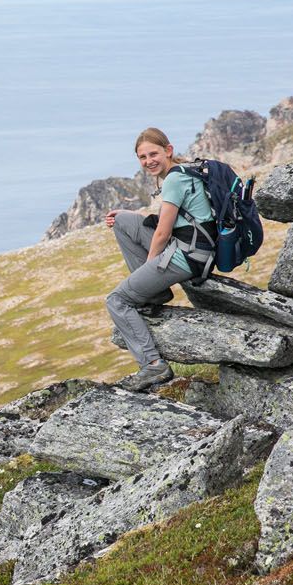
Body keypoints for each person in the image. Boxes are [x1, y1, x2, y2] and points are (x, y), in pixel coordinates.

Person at [104, 127, 215, 391]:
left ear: (168, 150)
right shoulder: (184, 172)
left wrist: (150, 269)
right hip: (195, 246)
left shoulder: (174, 180)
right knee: (122, 221)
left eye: (153, 154)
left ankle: (153, 365)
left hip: (189, 255)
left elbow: (163, 232)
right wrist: (130, 215)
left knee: (117, 300)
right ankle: (152, 296)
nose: (148, 161)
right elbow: (172, 219)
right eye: (142, 157)